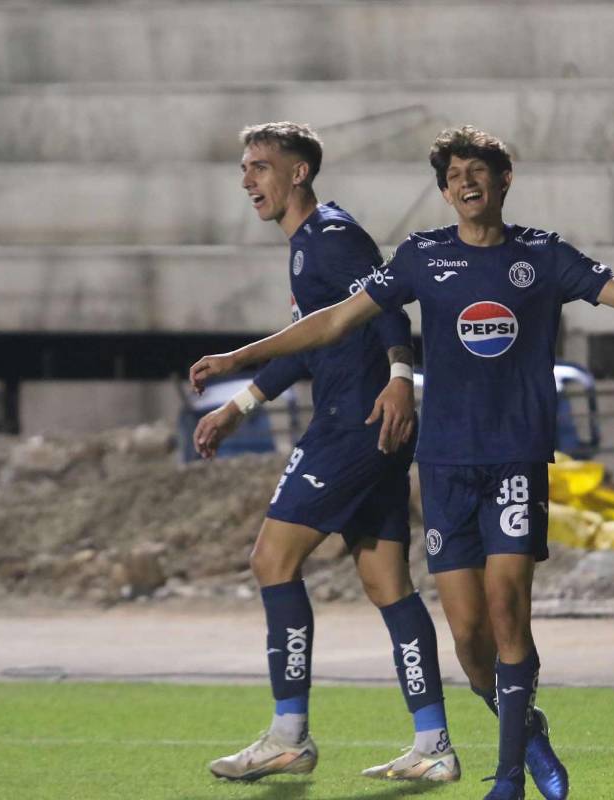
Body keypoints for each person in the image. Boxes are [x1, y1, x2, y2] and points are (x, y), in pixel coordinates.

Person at [191, 125, 614, 800]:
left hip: (513, 458)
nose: (465, 182)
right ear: (444, 191)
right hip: (444, 466)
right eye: (453, 175)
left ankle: (506, 779)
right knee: (468, 637)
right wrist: (239, 363)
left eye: (478, 171)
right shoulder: (422, 257)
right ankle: (524, 733)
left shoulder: (542, 255)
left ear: (505, 180)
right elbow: (333, 323)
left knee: (505, 611)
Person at [198, 122, 459, 783]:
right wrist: (239, 406)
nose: (247, 179)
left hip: (352, 427)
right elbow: (313, 342)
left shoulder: (331, 236)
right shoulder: (307, 248)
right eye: (244, 167)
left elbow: (392, 304)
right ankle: (433, 745)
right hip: (367, 429)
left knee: (272, 558)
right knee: (385, 583)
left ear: (298, 174)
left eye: (260, 166)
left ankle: (289, 734)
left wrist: (401, 377)